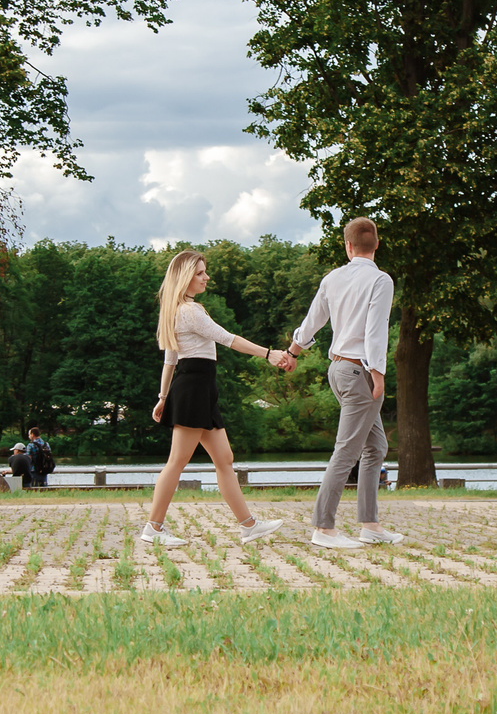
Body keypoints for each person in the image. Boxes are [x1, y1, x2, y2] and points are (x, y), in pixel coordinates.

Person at [141, 249, 290, 546]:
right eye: (199, 273)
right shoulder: (189, 311)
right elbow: (228, 339)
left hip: (199, 389)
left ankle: (248, 525)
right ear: (185, 277)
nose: (206, 277)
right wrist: (269, 354)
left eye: (205, 271)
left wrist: (163, 396)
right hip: (194, 388)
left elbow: (171, 360)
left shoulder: (180, 310)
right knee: (177, 462)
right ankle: (153, 529)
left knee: (224, 459)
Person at [288, 217, 402, 549]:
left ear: (348, 246)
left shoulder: (333, 278)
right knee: (347, 450)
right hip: (359, 373)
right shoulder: (381, 280)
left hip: (338, 372)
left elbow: (312, 322)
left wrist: (293, 351)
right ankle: (323, 528)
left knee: (376, 447)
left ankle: (370, 525)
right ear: (376, 244)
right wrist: (378, 374)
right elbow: (376, 329)